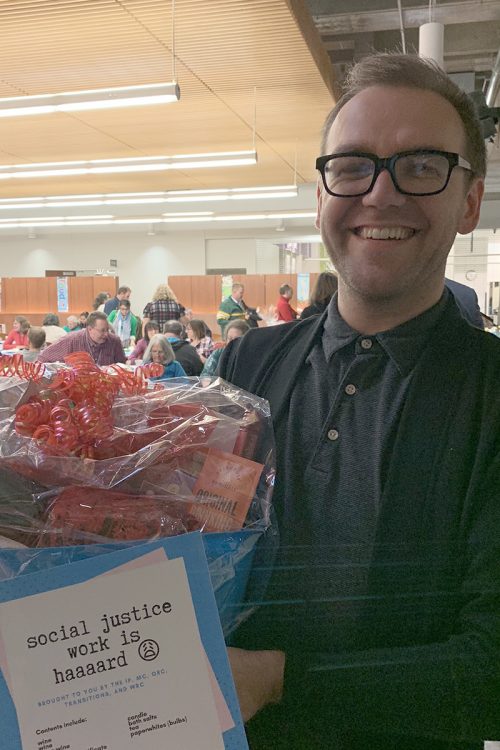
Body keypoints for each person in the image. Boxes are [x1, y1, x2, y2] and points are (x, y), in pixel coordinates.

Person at [221, 54, 500, 750]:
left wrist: (280, 679)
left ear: (469, 202)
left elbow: (491, 668)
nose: (380, 194)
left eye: (423, 165)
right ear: (320, 196)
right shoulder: (243, 366)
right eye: (352, 166)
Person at [38, 311, 126, 366]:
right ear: (90, 329)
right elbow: (43, 357)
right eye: (102, 331)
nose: (106, 334)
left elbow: (122, 366)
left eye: (107, 330)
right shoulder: (72, 340)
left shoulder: (114, 341)